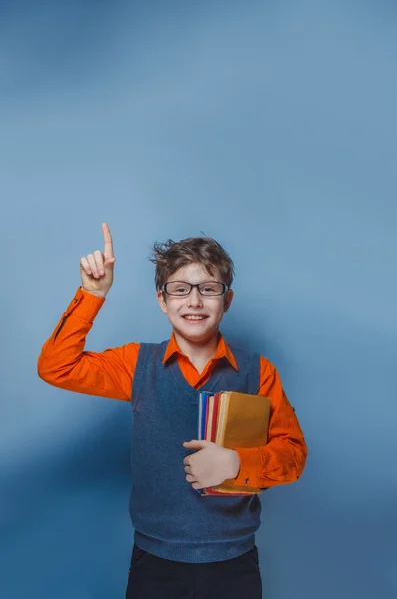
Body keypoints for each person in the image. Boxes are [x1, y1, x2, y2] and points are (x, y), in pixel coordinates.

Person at [38, 223, 308, 599]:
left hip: (234, 561)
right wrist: (91, 294)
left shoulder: (258, 372)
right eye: (180, 289)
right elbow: (57, 367)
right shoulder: (136, 364)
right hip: (155, 561)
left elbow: (294, 454)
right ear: (162, 301)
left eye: (208, 289)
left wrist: (236, 464)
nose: (194, 302)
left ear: (226, 300)